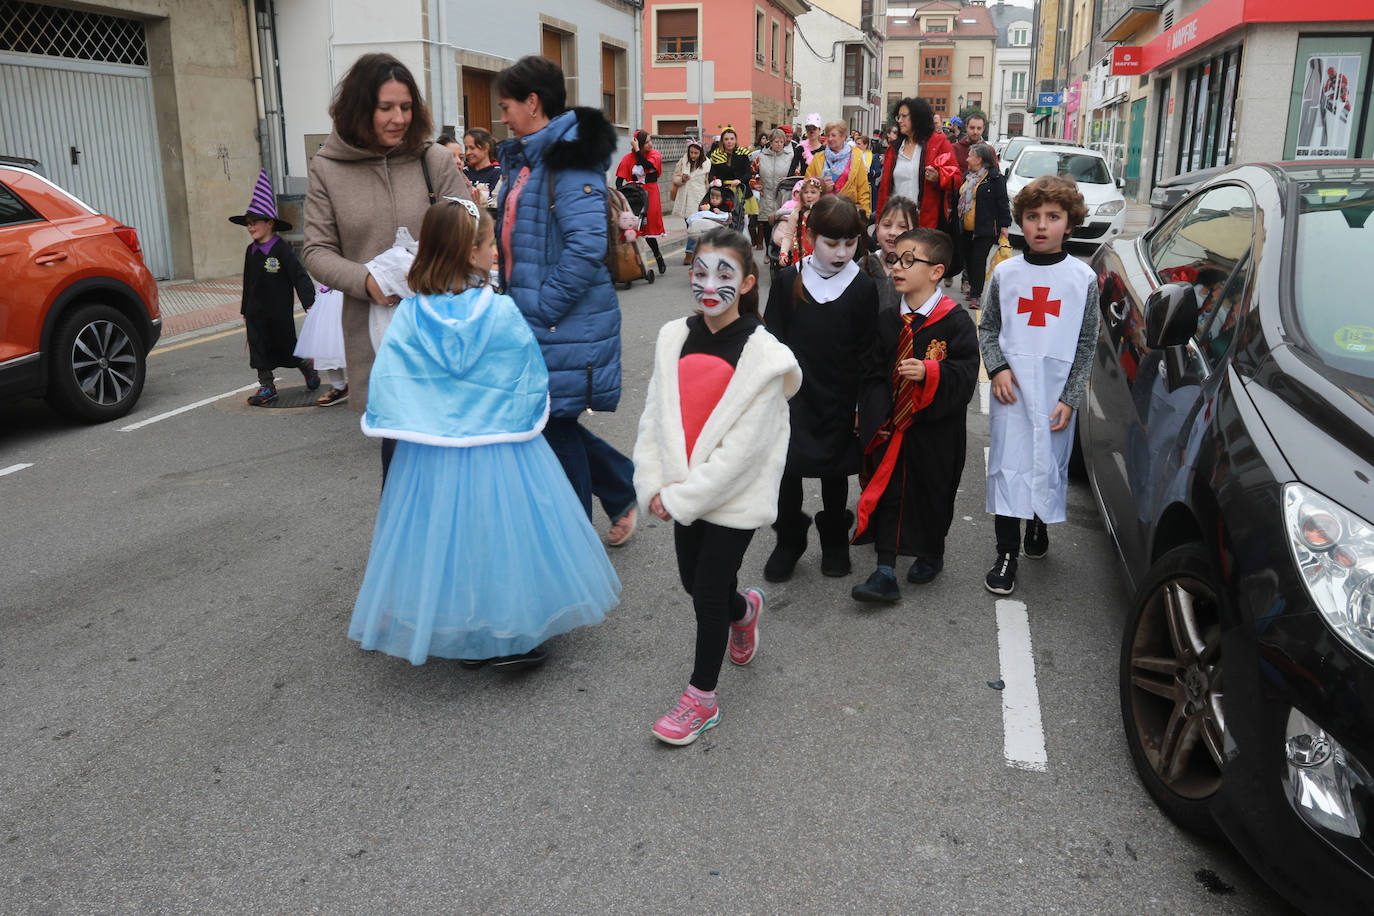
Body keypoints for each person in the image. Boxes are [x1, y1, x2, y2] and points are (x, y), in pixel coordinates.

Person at [349, 197, 620, 670]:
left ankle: (464, 630)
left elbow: (393, 380)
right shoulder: (500, 312)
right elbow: (528, 375)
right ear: (470, 252)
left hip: (432, 455)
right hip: (501, 447)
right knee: (505, 533)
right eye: (489, 241)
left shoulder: (410, 317)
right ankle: (513, 633)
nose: (495, 248)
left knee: (448, 538)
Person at [634, 227, 802, 746]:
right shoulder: (674, 337)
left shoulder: (764, 356)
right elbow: (656, 419)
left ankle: (700, 699)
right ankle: (743, 610)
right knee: (695, 584)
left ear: (748, 282)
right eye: (701, 272)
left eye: (724, 274)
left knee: (706, 591)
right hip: (685, 489)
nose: (710, 284)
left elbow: (744, 451)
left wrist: (679, 498)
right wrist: (655, 483)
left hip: (734, 495)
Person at [303, 53, 473, 478]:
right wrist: (365, 281)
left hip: (444, 326)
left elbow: (472, 224)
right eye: (386, 108)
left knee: (460, 456)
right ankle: (409, 542)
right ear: (361, 107)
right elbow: (315, 251)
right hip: (380, 339)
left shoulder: (432, 159)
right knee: (401, 460)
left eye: (406, 107)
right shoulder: (327, 167)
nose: (398, 118)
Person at [492, 55, 639, 546]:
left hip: (559, 323)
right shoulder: (529, 158)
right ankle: (619, 487)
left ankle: (574, 546)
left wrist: (540, 307)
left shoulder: (568, 159)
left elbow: (585, 246)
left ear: (532, 104)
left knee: (553, 425)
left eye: (507, 105)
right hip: (537, 320)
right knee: (552, 422)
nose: (502, 116)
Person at [980, 175, 1100, 595]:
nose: (1042, 226)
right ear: (1021, 222)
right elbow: (989, 327)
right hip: (1011, 389)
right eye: (1033, 217)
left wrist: (1071, 397)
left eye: (1053, 217)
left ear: (1069, 223)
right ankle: (1006, 552)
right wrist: (997, 369)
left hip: (1055, 393)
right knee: (1009, 467)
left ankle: (1037, 521)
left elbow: (1087, 342)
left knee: (1046, 463)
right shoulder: (1006, 273)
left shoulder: (1082, 278)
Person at [850, 228, 979, 602]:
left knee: (932, 493)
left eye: (910, 260)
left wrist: (931, 373)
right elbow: (872, 373)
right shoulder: (888, 320)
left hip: (936, 431)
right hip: (895, 428)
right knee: (889, 491)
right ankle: (885, 568)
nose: (898, 268)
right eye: (895, 260)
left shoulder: (954, 322)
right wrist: (876, 418)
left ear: (936, 271)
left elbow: (967, 371)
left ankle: (930, 551)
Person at [762, 195, 879, 581]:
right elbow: (770, 340)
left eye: (851, 243)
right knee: (788, 469)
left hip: (840, 397)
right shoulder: (788, 279)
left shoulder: (861, 287)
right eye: (832, 243)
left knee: (834, 472)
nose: (842, 252)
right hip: (793, 395)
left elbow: (868, 349)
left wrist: (863, 402)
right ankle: (789, 540)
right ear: (810, 236)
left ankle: (833, 542)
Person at [232, 169, 320, 406]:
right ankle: (267, 386)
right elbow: (248, 282)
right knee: (259, 350)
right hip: (255, 313)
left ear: (270, 223)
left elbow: (299, 276)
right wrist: (244, 310)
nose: (250, 227)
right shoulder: (251, 251)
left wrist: (309, 302)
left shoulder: (281, 250)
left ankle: (306, 366)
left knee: (287, 349)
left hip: (278, 314)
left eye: (254, 223)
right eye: (248, 224)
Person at [874, 98, 962, 232]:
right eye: (898, 116)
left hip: (926, 223)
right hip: (895, 222)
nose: (899, 120)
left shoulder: (938, 143)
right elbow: (883, 190)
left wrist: (939, 178)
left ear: (917, 117)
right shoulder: (894, 149)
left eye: (904, 116)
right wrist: (879, 221)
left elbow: (956, 179)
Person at [958, 141, 1012, 305]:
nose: (967, 159)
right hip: (965, 228)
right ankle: (974, 287)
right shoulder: (967, 177)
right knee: (968, 260)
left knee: (978, 260)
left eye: (970, 156)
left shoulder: (995, 179)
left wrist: (1005, 226)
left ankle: (975, 295)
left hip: (986, 228)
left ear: (979, 159)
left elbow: (1003, 203)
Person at [615, 130, 667, 275]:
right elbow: (619, 180)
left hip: (650, 194)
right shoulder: (627, 158)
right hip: (634, 195)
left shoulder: (655, 154)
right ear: (639, 143)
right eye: (647, 142)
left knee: (648, 228)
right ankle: (631, 261)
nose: (650, 144)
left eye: (651, 141)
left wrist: (638, 150)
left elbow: (647, 165)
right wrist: (622, 197)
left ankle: (658, 257)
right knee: (631, 228)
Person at [862, 195, 921, 314]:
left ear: (915, 233)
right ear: (877, 230)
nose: (893, 232)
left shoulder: (920, 272)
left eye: (902, 227)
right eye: (887, 225)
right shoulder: (863, 267)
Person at [805, 121, 872, 218]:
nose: (830, 139)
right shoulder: (818, 158)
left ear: (843, 136)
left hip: (847, 214)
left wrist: (865, 216)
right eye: (828, 135)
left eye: (833, 135)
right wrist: (821, 188)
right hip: (823, 213)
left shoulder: (856, 157)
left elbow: (863, 189)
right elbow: (806, 184)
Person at [752, 128, 794, 250]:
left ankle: (778, 251)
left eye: (781, 141)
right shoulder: (761, 157)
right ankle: (768, 251)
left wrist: (788, 183)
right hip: (766, 194)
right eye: (776, 141)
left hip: (783, 196)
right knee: (766, 224)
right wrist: (754, 184)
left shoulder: (789, 157)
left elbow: (795, 174)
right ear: (770, 142)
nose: (779, 144)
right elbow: (752, 173)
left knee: (781, 223)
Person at [671, 139, 711, 263]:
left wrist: (709, 198)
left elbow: (707, 182)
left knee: (694, 226)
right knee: (690, 225)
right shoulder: (683, 161)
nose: (693, 155)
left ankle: (689, 253)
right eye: (691, 152)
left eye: (696, 153)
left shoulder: (706, 163)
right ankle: (697, 251)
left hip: (699, 197)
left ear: (700, 153)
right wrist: (682, 179)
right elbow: (675, 178)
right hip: (685, 197)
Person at [772, 175, 823, 266]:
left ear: (820, 194)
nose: (809, 195)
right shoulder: (796, 214)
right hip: (800, 260)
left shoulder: (825, 213)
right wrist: (783, 253)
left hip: (821, 259)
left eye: (813, 192)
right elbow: (788, 236)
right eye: (805, 192)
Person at [462, 127, 502, 207]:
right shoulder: (464, 171)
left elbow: (496, 203)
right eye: (466, 148)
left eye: (472, 148)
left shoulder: (498, 172)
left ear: (486, 147)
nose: (468, 152)